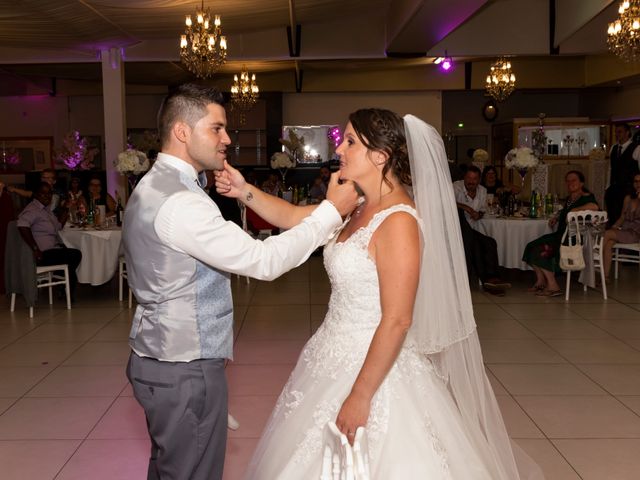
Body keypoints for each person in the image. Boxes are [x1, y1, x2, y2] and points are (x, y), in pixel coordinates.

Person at [216, 109, 542, 479]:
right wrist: (241, 189)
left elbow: (398, 319)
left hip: (375, 367)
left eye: (351, 141)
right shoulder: (355, 204)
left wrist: (360, 396)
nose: (339, 147)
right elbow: (294, 217)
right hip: (331, 352)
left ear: (380, 156)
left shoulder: (398, 220)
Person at [121, 83, 358, 480]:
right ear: (182, 131)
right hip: (184, 367)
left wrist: (245, 191)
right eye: (217, 128)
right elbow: (263, 261)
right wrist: (332, 212)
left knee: (170, 468)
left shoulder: (152, 185)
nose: (227, 139)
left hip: (157, 356)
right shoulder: (182, 204)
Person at [522, 170, 599, 296]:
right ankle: (541, 282)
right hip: (562, 235)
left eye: (573, 180)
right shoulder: (570, 198)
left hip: (573, 239)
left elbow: (594, 207)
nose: (570, 183)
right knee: (531, 246)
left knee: (541, 248)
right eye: (568, 181)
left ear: (581, 183)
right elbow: (565, 211)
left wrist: (576, 209)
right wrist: (557, 217)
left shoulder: (586, 196)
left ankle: (553, 286)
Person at [16, 182, 82, 299]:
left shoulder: (46, 210)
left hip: (52, 249)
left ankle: (66, 289)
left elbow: (58, 227)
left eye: (50, 193)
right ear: (36, 194)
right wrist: (35, 249)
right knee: (74, 255)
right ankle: (66, 289)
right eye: (43, 193)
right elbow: (21, 225)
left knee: (72, 254)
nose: (47, 196)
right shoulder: (33, 209)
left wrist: (66, 209)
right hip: (42, 253)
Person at [454, 166, 511, 295]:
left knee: (489, 242)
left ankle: (493, 279)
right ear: (464, 178)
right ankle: (489, 281)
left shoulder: (482, 191)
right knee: (473, 242)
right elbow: (448, 201)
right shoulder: (456, 187)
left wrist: (478, 214)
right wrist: (467, 208)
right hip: (457, 229)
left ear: (479, 180)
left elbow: (483, 210)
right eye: (469, 178)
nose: (471, 181)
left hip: (472, 229)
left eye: (474, 179)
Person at [602, 172, 640, 281]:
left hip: (636, 232)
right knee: (608, 242)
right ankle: (605, 277)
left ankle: (591, 260)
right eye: (636, 181)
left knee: (607, 234)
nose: (638, 184)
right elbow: (622, 217)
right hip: (625, 230)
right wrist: (614, 226)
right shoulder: (628, 198)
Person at [605, 123, 640, 227]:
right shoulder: (614, 148)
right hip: (614, 188)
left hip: (628, 189)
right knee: (612, 215)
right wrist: (608, 187)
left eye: (619, 132)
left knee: (624, 217)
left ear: (627, 133)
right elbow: (610, 169)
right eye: (616, 132)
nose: (617, 134)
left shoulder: (637, 148)